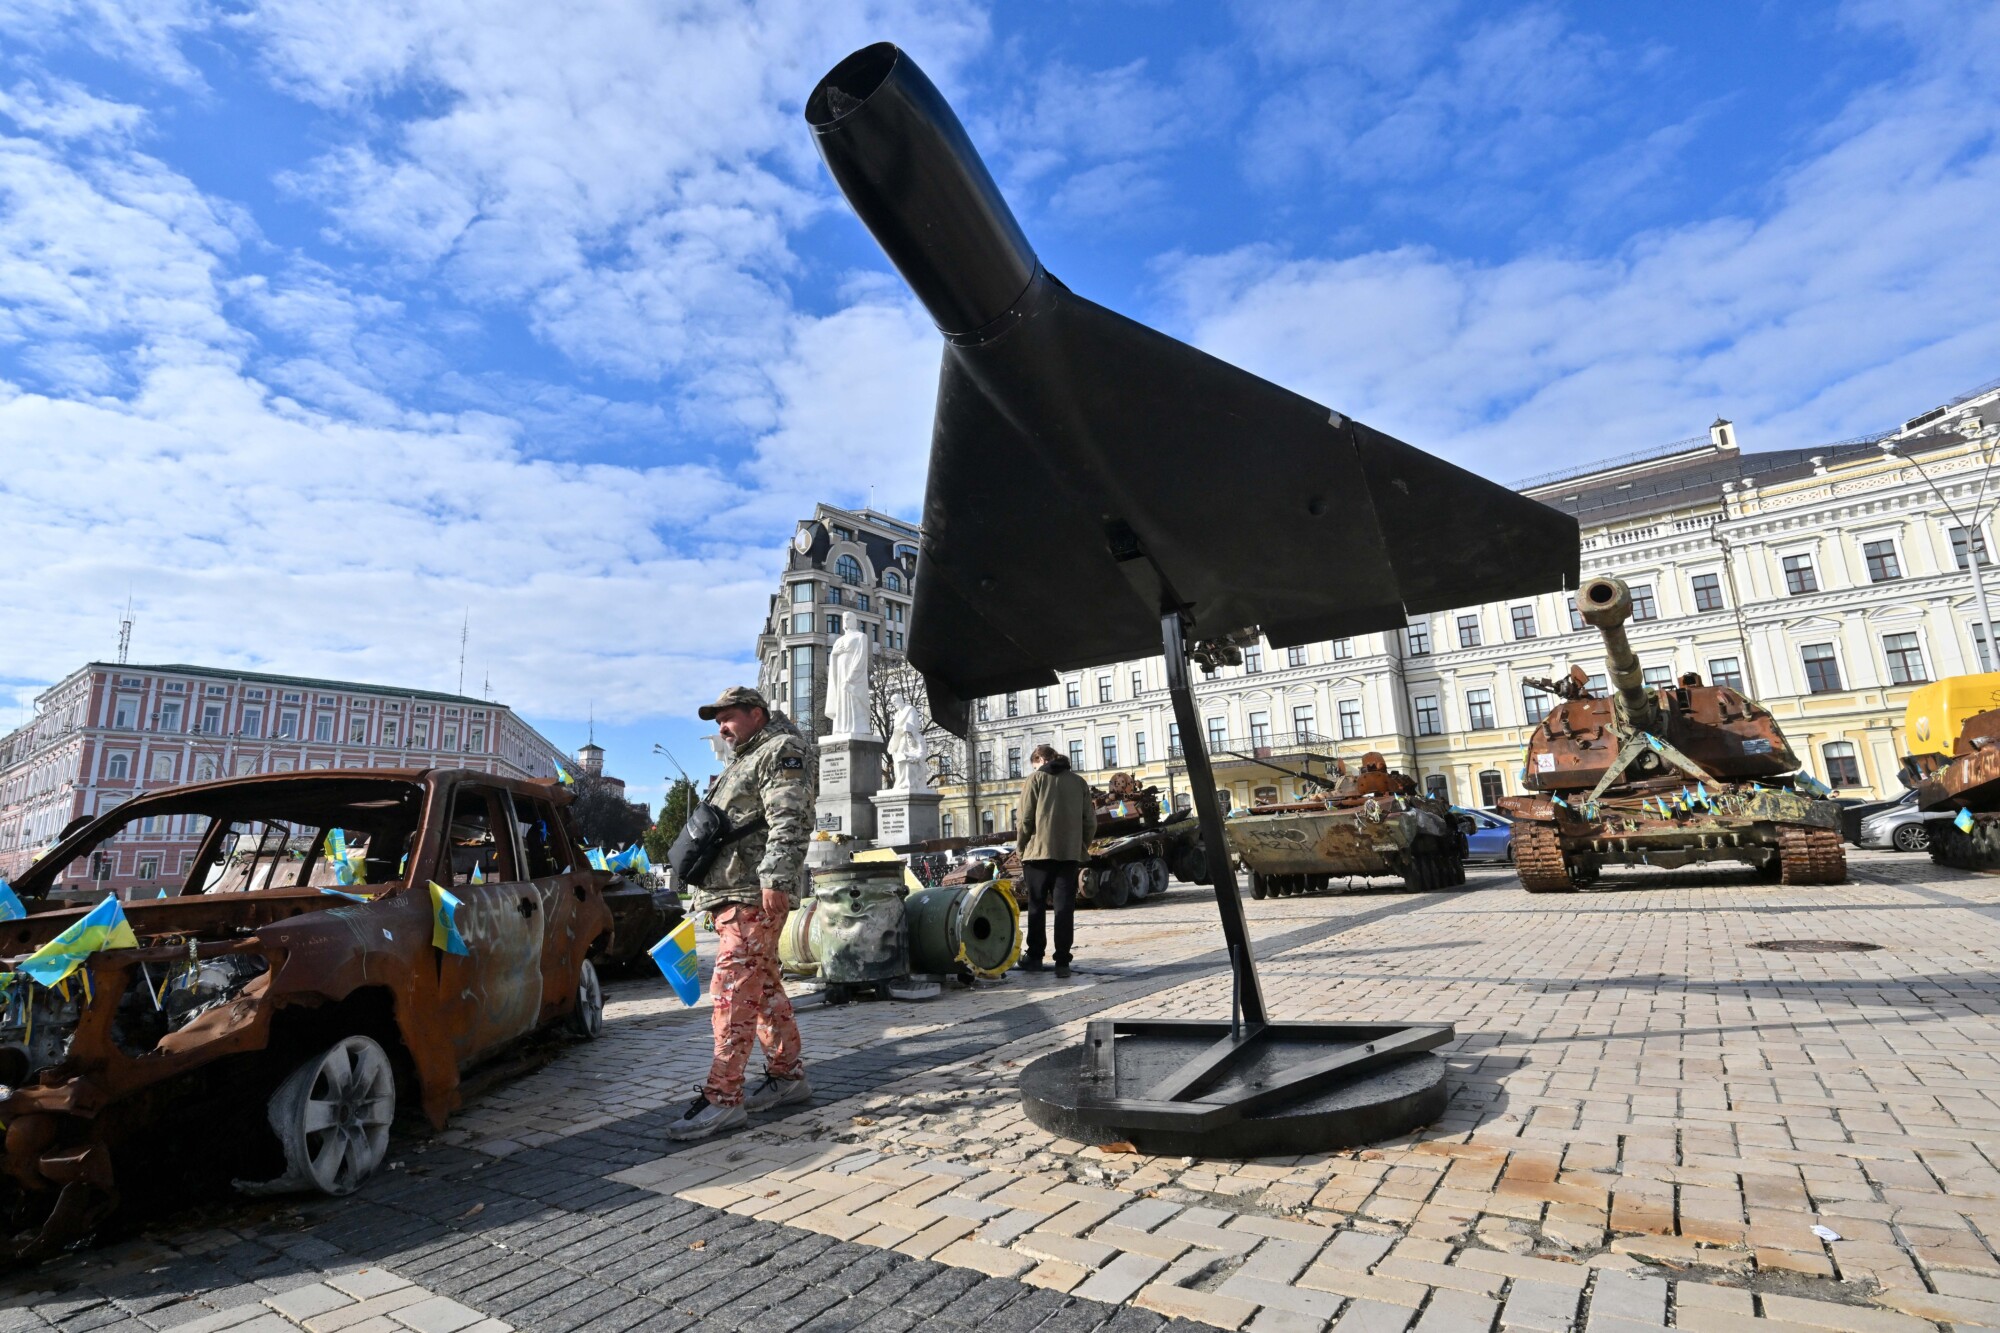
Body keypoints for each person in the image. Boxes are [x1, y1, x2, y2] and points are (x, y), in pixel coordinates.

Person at [666, 686, 816, 1141]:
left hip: (753, 893)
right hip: (734, 894)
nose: (722, 728)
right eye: (717, 721)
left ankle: (723, 1098)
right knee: (765, 991)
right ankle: (788, 1078)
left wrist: (776, 878)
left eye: (728, 717)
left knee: (731, 993)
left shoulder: (781, 750)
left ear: (756, 713)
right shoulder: (745, 757)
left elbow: (791, 817)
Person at [1016, 743, 1095, 978]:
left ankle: (1035, 957)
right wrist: (1080, 845)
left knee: (1036, 906)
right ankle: (1062, 962)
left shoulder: (1035, 780)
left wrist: (1021, 849)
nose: (1035, 768)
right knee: (1064, 908)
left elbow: (1025, 820)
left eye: (1035, 764)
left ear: (1041, 759)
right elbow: (1090, 822)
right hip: (1068, 855)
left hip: (1037, 855)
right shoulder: (1078, 782)